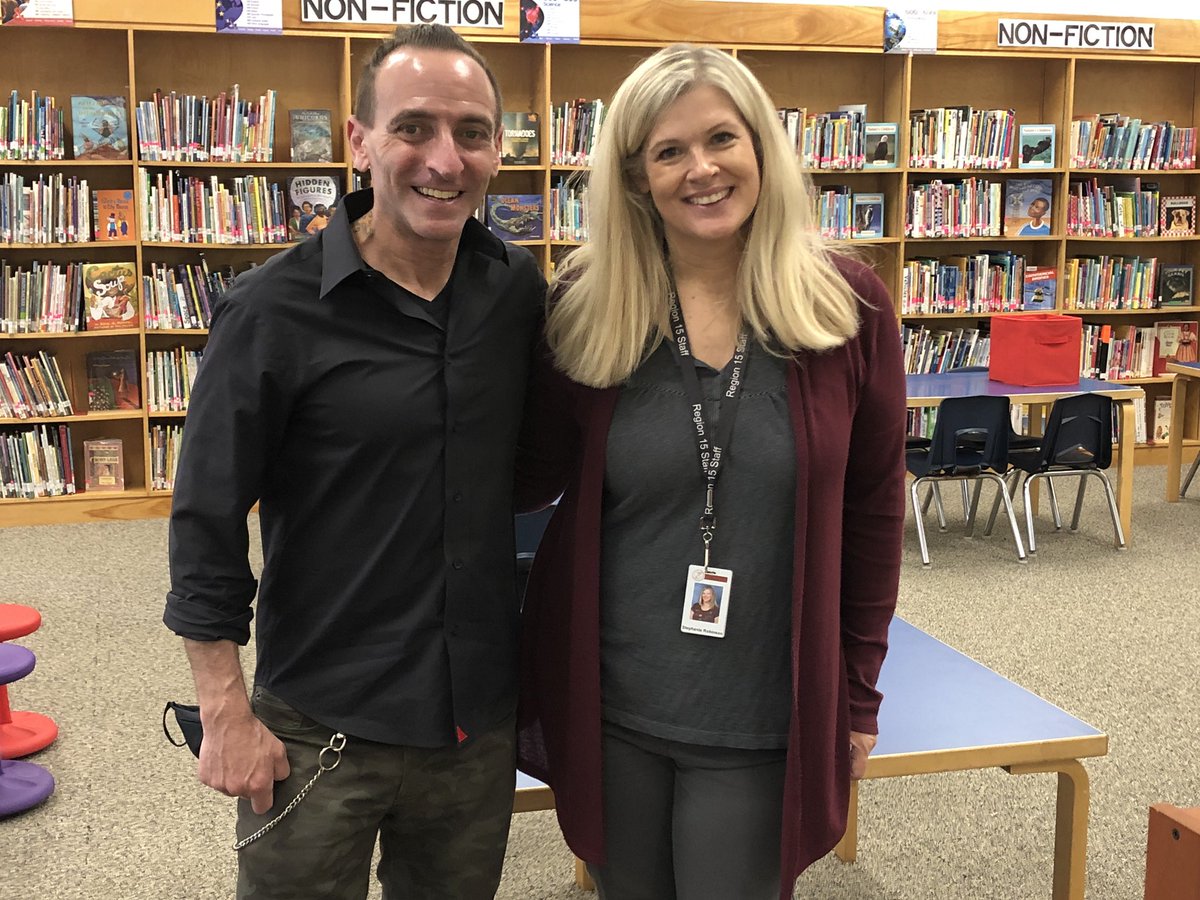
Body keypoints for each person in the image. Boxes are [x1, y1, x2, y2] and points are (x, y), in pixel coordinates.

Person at [515, 45, 906, 900]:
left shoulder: (849, 308)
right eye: (668, 151)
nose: (702, 169)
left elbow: (876, 509)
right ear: (634, 178)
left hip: (762, 714)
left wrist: (859, 694)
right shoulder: (587, 308)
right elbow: (522, 474)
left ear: (761, 148)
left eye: (721, 138)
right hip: (613, 706)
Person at [163, 23, 544, 900]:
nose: (445, 159)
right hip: (317, 724)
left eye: (473, 133)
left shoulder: (515, 289)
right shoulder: (270, 310)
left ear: (496, 150)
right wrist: (224, 710)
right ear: (361, 141)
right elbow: (205, 520)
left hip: (470, 722)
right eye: (414, 127)